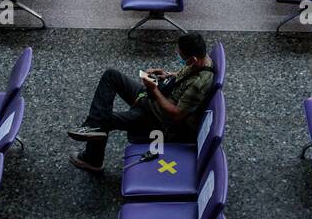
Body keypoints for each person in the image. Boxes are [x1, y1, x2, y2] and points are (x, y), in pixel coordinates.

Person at [66, 32, 216, 173]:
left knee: (104, 120)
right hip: (153, 99)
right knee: (111, 75)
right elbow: (185, 74)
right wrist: (167, 75)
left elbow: (176, 115)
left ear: (193, 59)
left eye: (181, 56)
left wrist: (154, 90)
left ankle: (92, 159)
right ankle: (94, 127)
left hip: (156, 118)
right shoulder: (202, 59)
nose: (179, 57)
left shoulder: (199, 84)